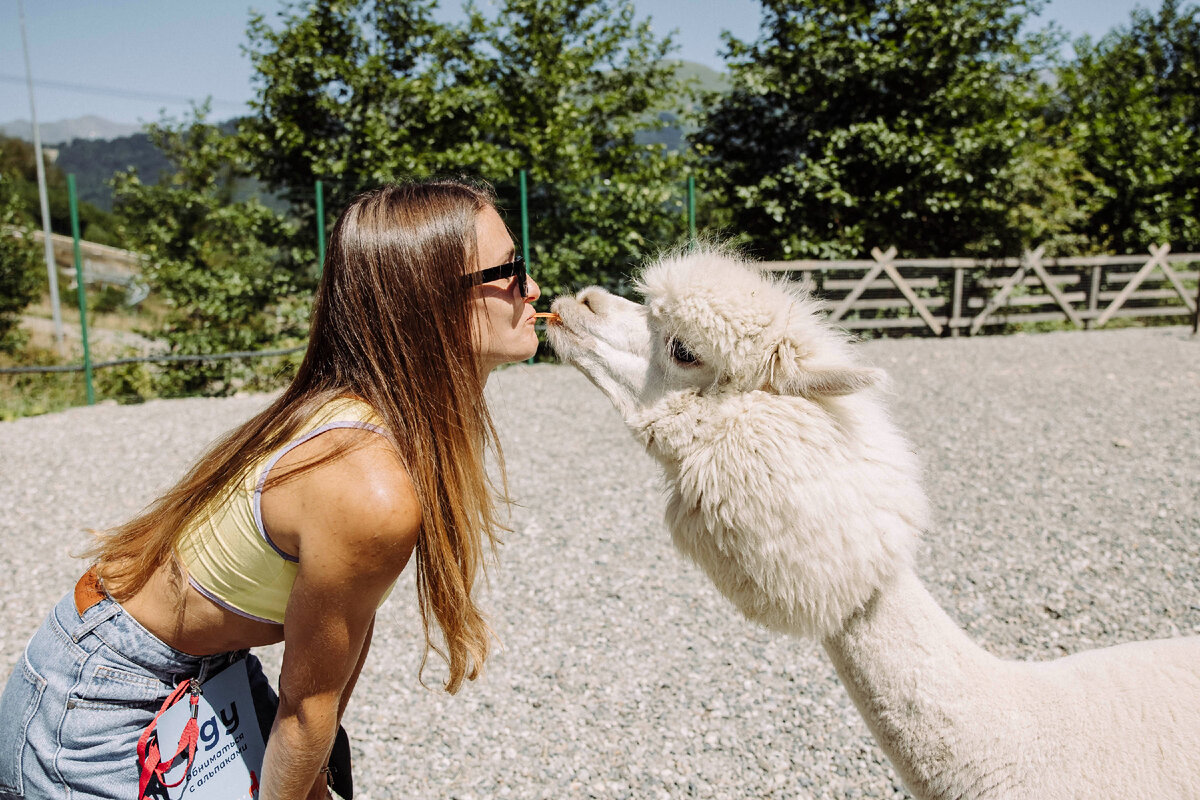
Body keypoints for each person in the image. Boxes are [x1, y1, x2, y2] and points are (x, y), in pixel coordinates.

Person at [0, 179, 543, 800]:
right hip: (106, 702)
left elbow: (335, 661)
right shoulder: (368, 485)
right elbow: (307, 704)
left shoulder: (373, 415)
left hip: (197, 668)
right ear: (432, 301)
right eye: (509, 269)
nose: (530, 288)